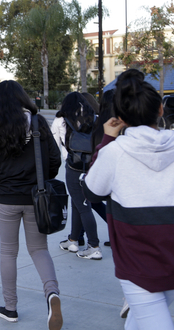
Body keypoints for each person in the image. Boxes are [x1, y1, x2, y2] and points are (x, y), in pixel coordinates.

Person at [82, 69, 174, 330]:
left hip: (137, 263)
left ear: (120, 117)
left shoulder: (115, 152)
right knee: (139, 321)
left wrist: (107, 139)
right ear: (160, 110)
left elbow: (91, 192)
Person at [0, 80, 63, 329]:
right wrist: (39, 180)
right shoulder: (37, 123)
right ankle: (52, 294)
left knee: (8, 251)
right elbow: (54, 160)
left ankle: (10, 308)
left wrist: (1, 186)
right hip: (36, 197)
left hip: (6, 197)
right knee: (39, 249)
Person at [51, 92, 102, 260]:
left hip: (73, 167)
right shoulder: (94, 118)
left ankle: (93, 246)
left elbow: (53, 147)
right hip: (92, 167)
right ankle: (73, 240)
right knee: (78, 204)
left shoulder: (60, 121)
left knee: (83, 206)